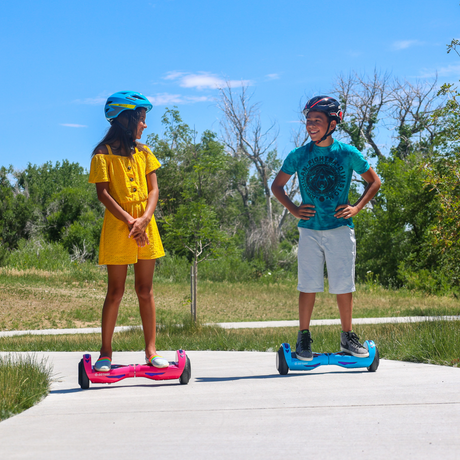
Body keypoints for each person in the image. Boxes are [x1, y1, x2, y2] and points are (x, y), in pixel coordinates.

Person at [271, 96, 381, 361]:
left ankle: (347, 337)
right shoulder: (299, 155)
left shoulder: (347, 153)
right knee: (308, 285)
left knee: (343, 285)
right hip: (309, 231)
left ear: (333, 123)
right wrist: (295, 209)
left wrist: (356, 208)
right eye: (308, 121)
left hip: (340, 229)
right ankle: (304, 337)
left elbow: (374, 182)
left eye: (317, 121)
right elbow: (277, 186)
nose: (311, 126)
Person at [89, 91, 168, 372]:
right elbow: (104, 194)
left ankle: (151, 350)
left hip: (145, 225)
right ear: (126, 119)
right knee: (115, 291)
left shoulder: (145, 152)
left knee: (145, 290)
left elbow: (154, 189)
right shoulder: (102, 154)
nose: (145, 125)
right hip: (118, 226)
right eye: (142, 119)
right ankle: (105, 352)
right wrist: (130, 222)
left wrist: (144, 219)